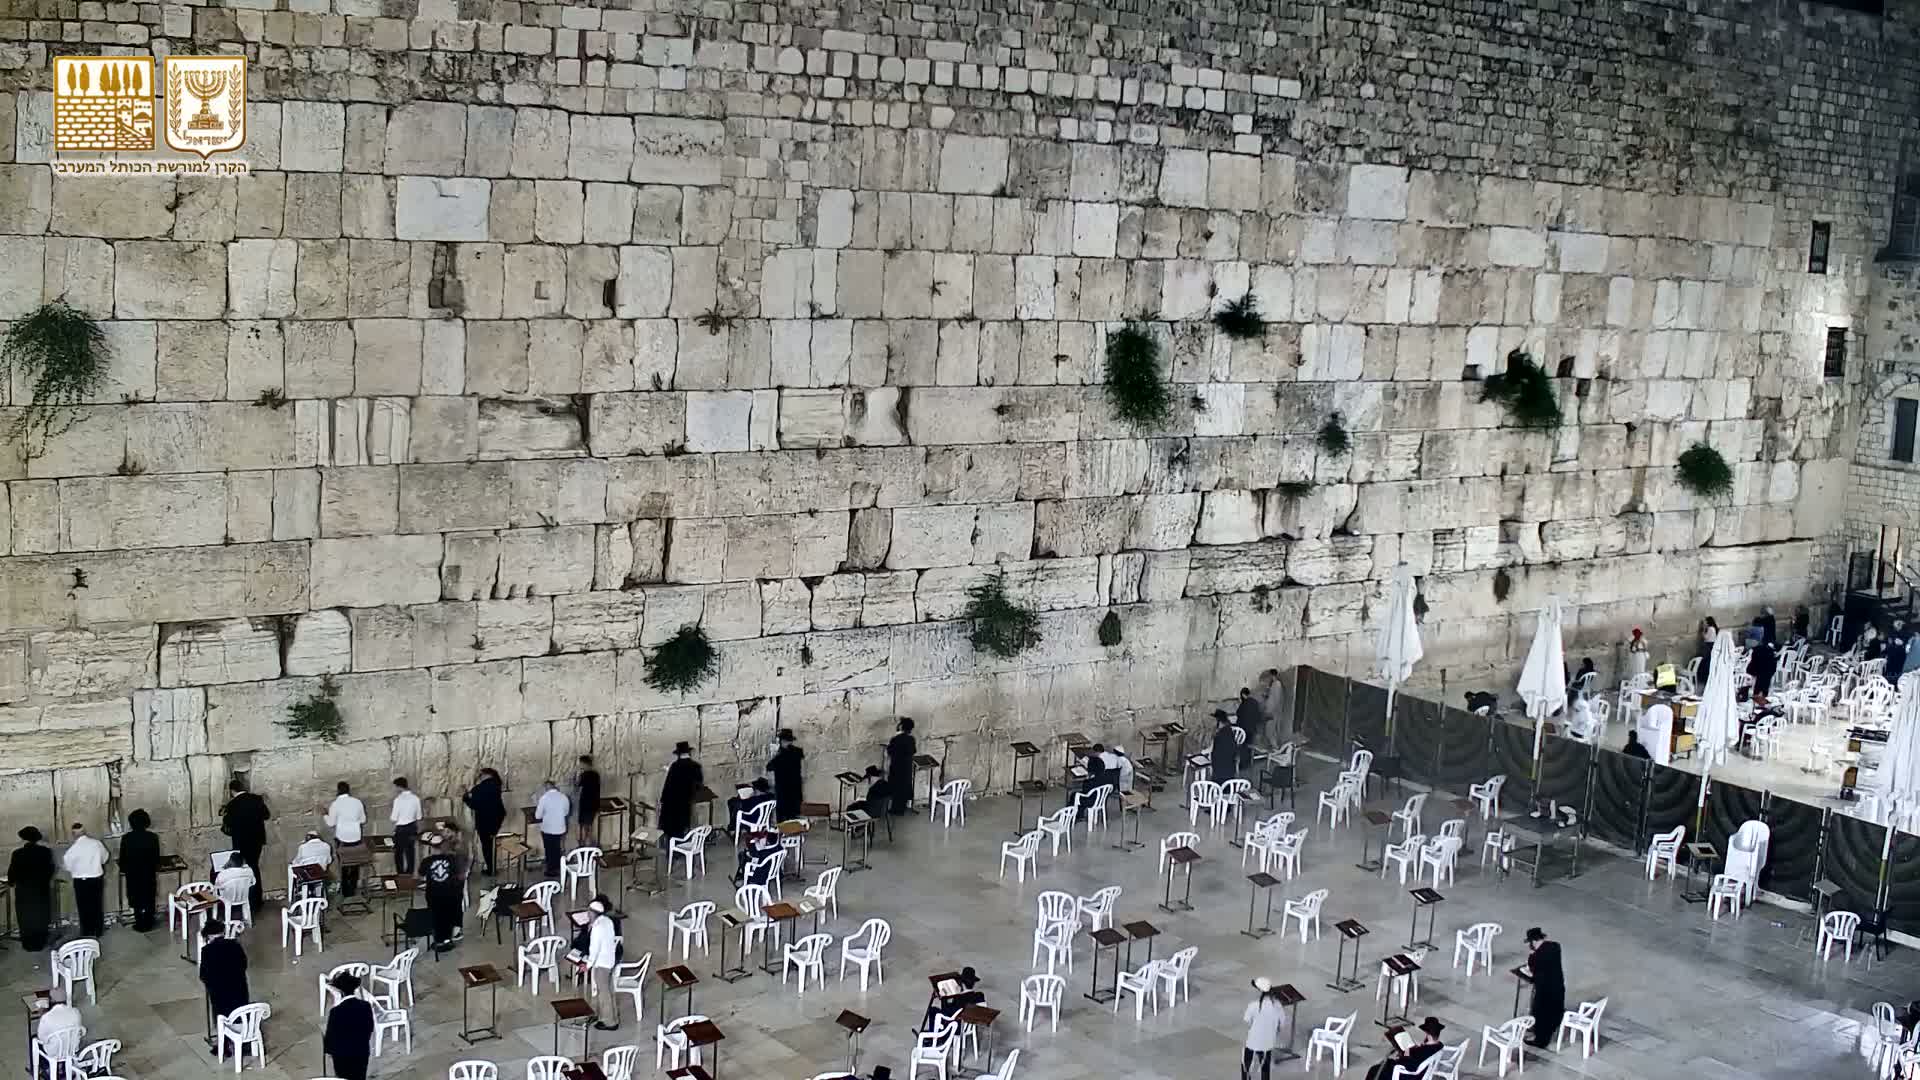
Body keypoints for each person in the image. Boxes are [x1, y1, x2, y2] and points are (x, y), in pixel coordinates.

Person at [219, 778, 270, 910]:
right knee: (254, 867)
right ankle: (256, 900)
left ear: (232, 791)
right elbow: (266, 815)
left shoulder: (232, 805)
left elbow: (227, 826)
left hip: (241, 842)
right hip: (257, 840)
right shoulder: (257, 799)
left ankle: (243, 900)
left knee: (242, 869)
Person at [322, 972, 375, 1080]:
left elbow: (330, 1038)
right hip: (361, 1052)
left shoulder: (336, 1011)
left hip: (342, 1056)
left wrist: (329, 1051)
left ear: (340, 992)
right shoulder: (365, 1006)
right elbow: (370, 1028)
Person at [8, 827, 54, 952]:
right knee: (41, 916)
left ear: (23, 838)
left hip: (24, 892)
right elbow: (50, 870)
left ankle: (28, 944)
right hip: (40, 890)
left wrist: (12, 882)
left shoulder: (17, 854)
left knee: (25, 917)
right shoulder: (45, 852)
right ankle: (40, 942)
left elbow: (12, 874)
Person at [118, 808, 162, 933]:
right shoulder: (152, 837)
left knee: (136, 898)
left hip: (133, 874)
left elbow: (123, 858)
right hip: (148, 873)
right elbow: (156, 857)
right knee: (149, 897)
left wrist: (124, 868)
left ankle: (139, 922)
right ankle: (149, 922)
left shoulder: (126, 838)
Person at [198, 919, 250, 1020]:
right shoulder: (236, 945)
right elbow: (244, 965)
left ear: (209, 936)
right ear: (222, 932)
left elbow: (204, 975)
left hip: (221, 1001)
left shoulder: (207, 951)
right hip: (240, 995)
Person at [63, 822, 108, 937]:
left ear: (73, 834)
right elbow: (105, 858)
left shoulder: (72, 849)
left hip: (80, 881)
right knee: (97, 905)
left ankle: (87, 931)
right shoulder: (97, 844)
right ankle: (98, 931)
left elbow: (67, 866)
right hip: (96, 879)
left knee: (83, 907)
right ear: (84, 832)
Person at [419, 832, 462, 953]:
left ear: (431, 847)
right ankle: (448, 940)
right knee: (448, 915)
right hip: (449, 892)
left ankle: (438, 940)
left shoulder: (427, 861)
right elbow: (457, 874)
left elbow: (420, 874)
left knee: (436, 916)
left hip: (433, 893)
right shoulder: (452, 859)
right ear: (442, 845)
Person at [1522, 927, 1565, 1047]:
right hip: (1558, 986)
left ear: (1533, 942)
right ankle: (1549, 1029)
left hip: (1545, 990)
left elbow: (1532, 967)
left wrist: (1531, 955)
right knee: (1554, 1011)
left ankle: (1541, 1040)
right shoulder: (1555, 946)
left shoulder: (1537, 956)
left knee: (1540, 1013)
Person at [1364, 1017, 1445, 1080]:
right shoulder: (1439, 1046)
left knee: (1374, 1070)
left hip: (1409, 1076)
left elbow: (1410, 1066)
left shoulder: (1425, 1050)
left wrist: (1406, 1053)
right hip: (1422, 1071)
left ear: (1428, 1035)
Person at [326, 781, 368, 897]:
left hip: (343, 839)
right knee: (355, 864)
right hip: (356, 838)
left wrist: (325, 814)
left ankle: (346, 892)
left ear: (338, 790)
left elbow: (330, 823)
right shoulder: (357, 802)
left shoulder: (335, 804)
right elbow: (363, 820)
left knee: (344, 865)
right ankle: (353, 889)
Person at [464, 768, 508, 876]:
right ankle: (492, 868)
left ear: (485, 775)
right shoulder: (496, 785)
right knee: (491, 843)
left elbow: (474, 804)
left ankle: (491, 869)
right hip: (496, 819)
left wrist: (465, 797)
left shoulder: (480, 788)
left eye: (480, 775)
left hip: (484, 820)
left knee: (486, 845)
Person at [1242, 977, 1287, 1080]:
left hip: (1252, 1042)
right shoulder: (1277, 1006)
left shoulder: (1253, 1005)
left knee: (1246, 1067)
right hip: (1268, 1043)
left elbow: (1247, 1021)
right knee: (1265, 1069)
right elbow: (1282, 1023)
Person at [586, 897, 621, 1029]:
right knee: (609, 990)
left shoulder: (597, 928)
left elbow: (594, 949)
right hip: (610, 960)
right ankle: (609, 1016)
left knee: (604, 992)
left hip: (602, 964)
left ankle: (609, 1022)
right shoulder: (607, 921)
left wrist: (588, 965)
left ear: (593, 913)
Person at [659, 742, 704, 841]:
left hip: (670, 802)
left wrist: (663, 800)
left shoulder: (674, 766)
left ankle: (671, 850)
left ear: (679, 754)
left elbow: (667, 785)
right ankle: (680, 848)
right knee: (681, 826)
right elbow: (699, 785)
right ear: (689, 753)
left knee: (671, 828)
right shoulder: (696, 767)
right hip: (684, 802)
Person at [768, 729, 806, 820]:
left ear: (782, 741)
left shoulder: (780, 755)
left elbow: (769, 767)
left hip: (783, 791)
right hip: (795, 789)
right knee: (793, 817)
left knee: (783, 818)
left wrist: (774, 753)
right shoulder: (798, 751)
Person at [536, 780, 570, 878]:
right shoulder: (564, 797)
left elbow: (538, 816)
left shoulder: (544, 798)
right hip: (560, 828)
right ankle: (559, 867)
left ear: (546, 787)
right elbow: (566, 812)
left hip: (548, 828)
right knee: (557, 848)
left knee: (549, 849)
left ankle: (551, 870)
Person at [390, 776, 423, 876]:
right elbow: (419, 816)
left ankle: (401, 875)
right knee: (410, 853)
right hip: (412, 828)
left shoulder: (398, 800)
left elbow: (394, 818)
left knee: (399, 853)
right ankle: (409, 875)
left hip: (401, 829)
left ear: (399, 787)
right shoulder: (416, 798)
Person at [887, 717, 917, 815]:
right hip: (907, 767)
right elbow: (913, 751)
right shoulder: (911, 739)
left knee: (896, 788)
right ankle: (902, 808)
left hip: (897, 767)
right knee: (904, 788)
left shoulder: (896, 739)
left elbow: (890, 751)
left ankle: (895, 809)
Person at [576, 755, 602, 848]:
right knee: (589, 825)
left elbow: (577, 785)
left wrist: (578, 774)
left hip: (585, 804)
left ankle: (585, 846)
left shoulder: (584, 775)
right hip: (594, 804)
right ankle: (589, 845)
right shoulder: (596, 774)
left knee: (584, 826)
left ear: (584, 763)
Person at [1236, 686, 1266, 769]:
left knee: (1242, 746)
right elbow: (1258, 715)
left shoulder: (1244, 703)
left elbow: (1238, 713)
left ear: (1243, 694)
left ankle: (1242, 764)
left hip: (1243, 728)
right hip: (1252, 728)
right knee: (1249, 746)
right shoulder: (1255, 702)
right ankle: (1248, 763)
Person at [1210, 709, 1242, 783]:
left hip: (1219, 775)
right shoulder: (1229, 732)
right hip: (1230, 773)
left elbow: (1214, 755)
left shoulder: (1220, 735)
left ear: (1219, 722)